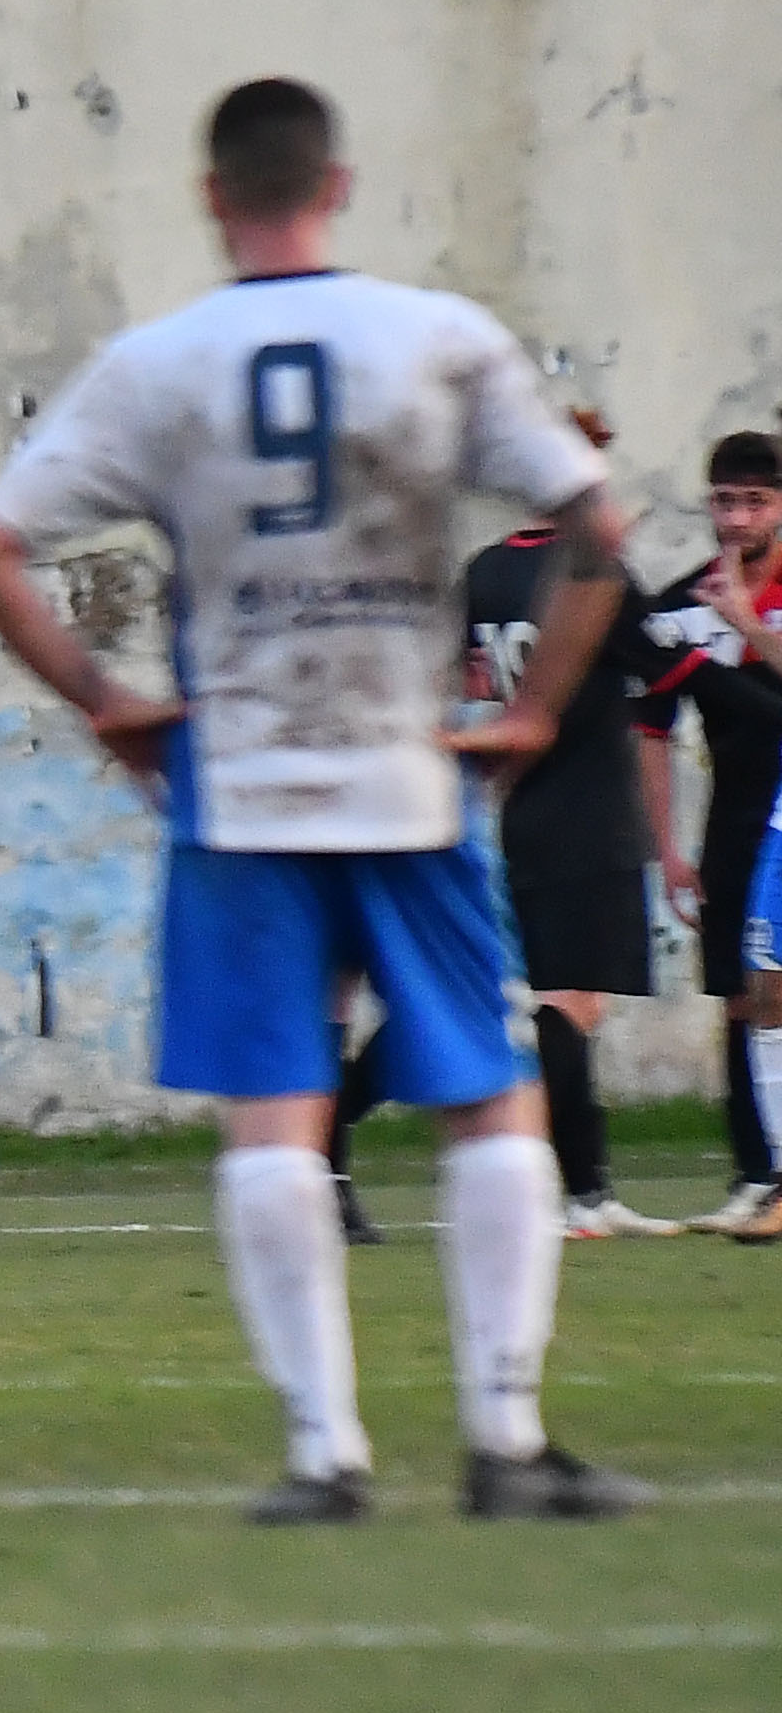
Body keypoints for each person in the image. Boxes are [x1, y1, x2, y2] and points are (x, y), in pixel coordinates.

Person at [0, 77, 645, 1521]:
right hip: (406, 770)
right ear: (336, 183)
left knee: (275, 1115)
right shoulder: (437, 338)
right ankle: (504, 1438)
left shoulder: (162, 362)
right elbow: (602, 526)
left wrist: (106, 700)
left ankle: (326, 1455)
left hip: (241, 785)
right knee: (492, 1097)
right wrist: (533, 708)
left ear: (215, 198)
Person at [331, 429, 703, 1239]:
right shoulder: (589, 576)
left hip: (514, 809)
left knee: (515, 999)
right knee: (569, 1005)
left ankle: (340, 1122)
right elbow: (676, 668)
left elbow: (457, 674)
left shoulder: (486, 572)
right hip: (590, 812)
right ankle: (581, 1195)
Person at [659, 433, 782, 1235]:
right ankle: (758, 1175)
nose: (737, 518)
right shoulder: (678, 606)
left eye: (756, 501)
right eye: (724, 500)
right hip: (741, 824)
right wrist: (667, 846)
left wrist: (748, 622)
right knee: (749, 997)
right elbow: (648, 725)